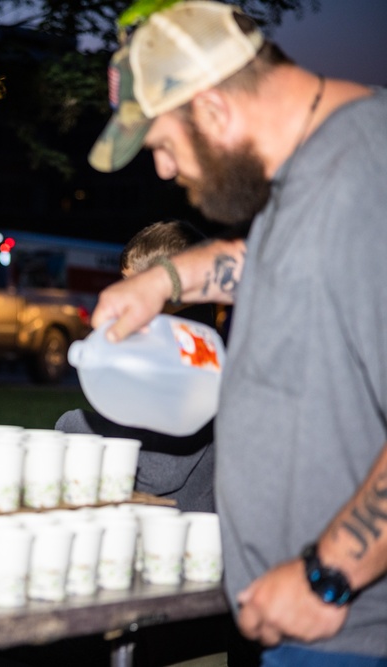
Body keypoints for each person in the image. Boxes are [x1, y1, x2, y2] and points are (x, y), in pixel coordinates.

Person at [86, 2, 387, 664]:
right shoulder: (308, 171)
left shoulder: (365, 181)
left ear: (215, 111)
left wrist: (327, 574)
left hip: (345, 630)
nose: (164, 171)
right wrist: (165, 281)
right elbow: (276, 261)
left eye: (163, 145)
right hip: (294, 617)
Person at [56, 220, 217, 512]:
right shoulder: (195, 343)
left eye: (133, 285)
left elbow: (159, 471)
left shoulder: (187, 358)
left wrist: (74, 425)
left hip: (175, 525)